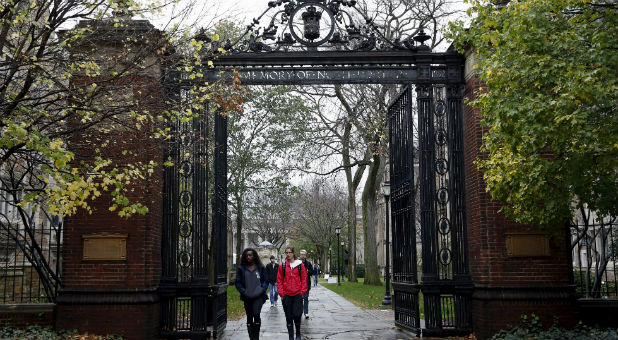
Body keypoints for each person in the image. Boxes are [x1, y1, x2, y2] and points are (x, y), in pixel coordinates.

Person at [235, 248, 268, 340]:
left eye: (250, 255)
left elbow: (266, 280)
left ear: (254, 256)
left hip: (258, 296)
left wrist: (262, 289)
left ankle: (256, 337)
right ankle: (251, 337)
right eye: (246, 255)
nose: (248, 257)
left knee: (256, 313)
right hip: (247, 296)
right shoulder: (241, 268)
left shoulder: (260, 267)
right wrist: (243, 291)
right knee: (249, 316)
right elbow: (237, 282)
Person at [277, 246, 307, 340]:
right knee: (288, 317)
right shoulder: (283, 265)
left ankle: (298, 333)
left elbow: (304, 279)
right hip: (286, 296)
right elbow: (279, 280)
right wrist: (282, 294)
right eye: (286, 253)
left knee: (297, 315)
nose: (288, 254)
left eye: (290, 252)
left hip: (298, 294)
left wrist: (302, 292)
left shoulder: (300, 265)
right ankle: (291, 336)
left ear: (294, 253)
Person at [299, 250, 314, 319]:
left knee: (305, 298)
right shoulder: (297, 263)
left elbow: (312, 272)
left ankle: (306, 312)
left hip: (306, 283)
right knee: (299, 299)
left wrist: (307, 272)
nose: (302, 256)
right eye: (301, 254)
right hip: (298, 284)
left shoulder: (308, 263)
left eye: (304, 254)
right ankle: (299, 312)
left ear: (305, 255)